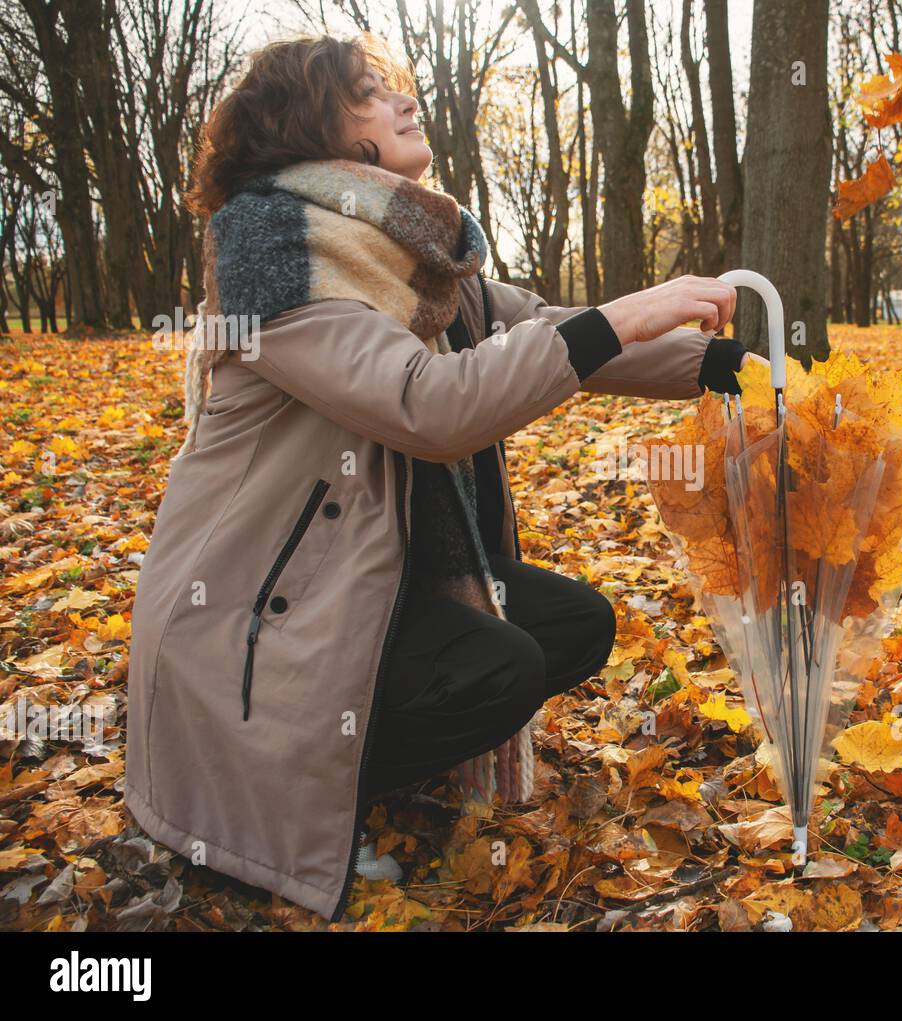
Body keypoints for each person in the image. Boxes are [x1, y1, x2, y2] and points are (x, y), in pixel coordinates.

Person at [122, 33, 765, 921]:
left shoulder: (413, 255)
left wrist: (721, 364)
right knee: (499, 667)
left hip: (355, 582)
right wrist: (624, 315)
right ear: (320, 132)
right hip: (251, 624)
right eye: (368, 92)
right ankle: (300, 795)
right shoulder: (278, 267)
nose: (399, 97)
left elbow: (544, 327)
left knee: (574, 625)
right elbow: (428, 406)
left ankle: (365, 756)